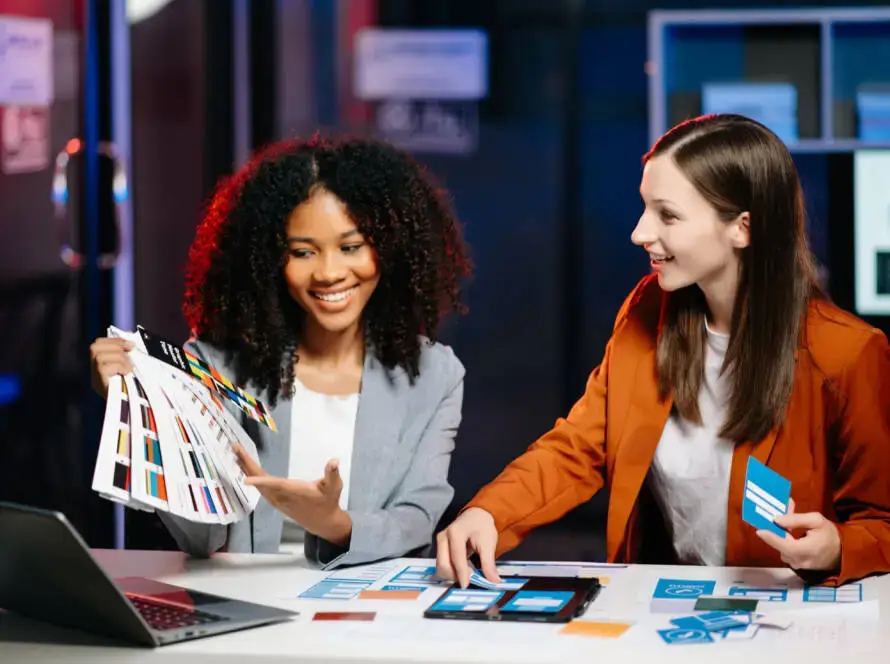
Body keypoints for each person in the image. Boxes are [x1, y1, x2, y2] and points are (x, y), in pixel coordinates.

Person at [436, 113, 890, 588]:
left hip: (788, 620)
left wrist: (837, 546)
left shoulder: (848, 353)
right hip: (665, 604)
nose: (640, 233)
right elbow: (579, 447)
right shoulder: (647, 308)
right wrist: (489, 512)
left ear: (742, 228)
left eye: (667, 215)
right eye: (645, 208)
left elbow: (881, 522)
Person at [91, 135, 472, 569]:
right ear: (269, 259)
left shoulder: (435, 375)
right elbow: (203, 536)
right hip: (247, 610)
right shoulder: (215, 367)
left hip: (364, 612)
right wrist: (137, 407)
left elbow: (417, 519)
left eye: (351, 247)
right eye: (303, 252)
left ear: (389, 250)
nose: (329, 273)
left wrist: (333, 522)